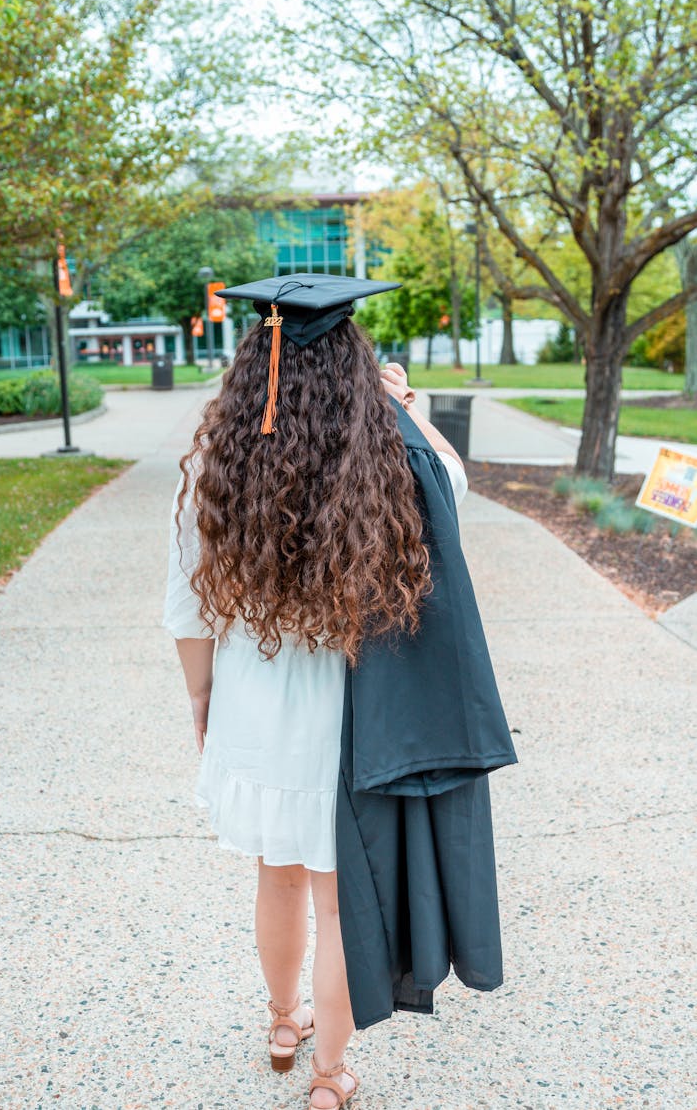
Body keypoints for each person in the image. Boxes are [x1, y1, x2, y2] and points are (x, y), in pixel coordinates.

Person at [163, 274, 492, 1110]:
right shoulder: (387, 454)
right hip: (349, 719)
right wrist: (407, 404)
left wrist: (202, 701)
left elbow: (187, 601)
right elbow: (456, 486)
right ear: (357, 362)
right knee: (344, 903)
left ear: (251, 365)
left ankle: (284, 1023)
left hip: (253, 706)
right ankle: (329, 1075)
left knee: (275, 876)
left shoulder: (215, 458)